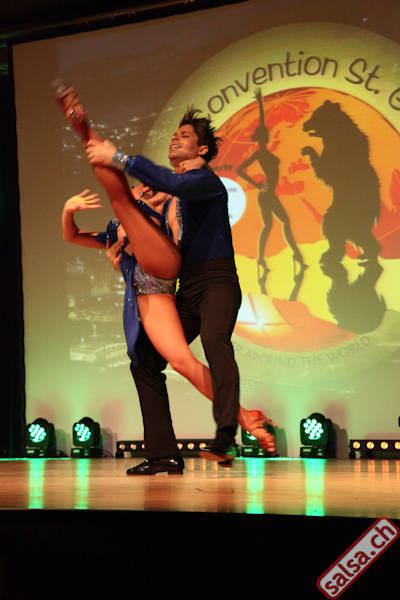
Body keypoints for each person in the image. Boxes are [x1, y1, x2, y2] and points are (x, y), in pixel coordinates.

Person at [55, 83, 276, 475]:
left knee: (214, 340)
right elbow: (159, 198)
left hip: (217, 281)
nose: (176, 138)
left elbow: (170, 187)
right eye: (175, 134)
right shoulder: (172, 192)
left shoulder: (205, 182)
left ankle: (227, 434)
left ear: (203, 150)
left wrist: (118, 157)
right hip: (186, 287)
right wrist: (123, 246)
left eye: (185, 136)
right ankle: (163, 454)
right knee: (146, 363)